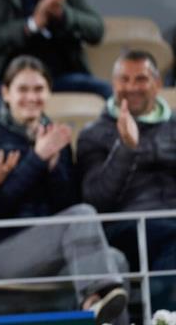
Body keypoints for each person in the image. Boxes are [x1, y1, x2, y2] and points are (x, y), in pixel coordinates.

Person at [0, 56, 128, 325]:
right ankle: (91, 301)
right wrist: (37, 159)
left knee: (115, 259)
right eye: (23, 89)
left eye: (38, 89)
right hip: (1, 250)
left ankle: (97, 305)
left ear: (48, 92)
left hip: (53, 248)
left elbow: (67, 204)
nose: (31, 97)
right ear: (6, 93)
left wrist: (55, 169)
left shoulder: (57, 136)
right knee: (83, 217)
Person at [78, 50, 176, 310]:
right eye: (124, 79)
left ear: (157, 83)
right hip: (125, 227)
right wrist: (126, 148)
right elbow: (96, 200)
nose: (132, 87)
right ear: (113, 84)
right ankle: (160, 317)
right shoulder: (94, 133)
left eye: (141, 79)